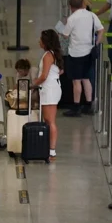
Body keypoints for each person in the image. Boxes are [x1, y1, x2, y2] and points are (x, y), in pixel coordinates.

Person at [62, 0, 105, 116]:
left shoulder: (72, 18)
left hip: (75, 53)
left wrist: (62, 27)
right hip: (89, 52)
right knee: (86, 79)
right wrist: (96, 43)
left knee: (76, 81)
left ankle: (76, 107)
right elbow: (101, 30)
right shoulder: (92, 15)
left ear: (71, 7)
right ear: (82, 4)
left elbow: (65, 35)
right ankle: (88, 105)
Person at [33, 30, 63, 162]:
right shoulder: (54, 54)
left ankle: (52, 151)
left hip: (49, 90)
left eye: (41, 39)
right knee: (48, 120)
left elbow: (44, 76)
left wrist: (33, 84)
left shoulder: (47, 56)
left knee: (50, 121)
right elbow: (59, 71)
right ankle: (49, 149)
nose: (39, 41)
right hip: (53, 88)